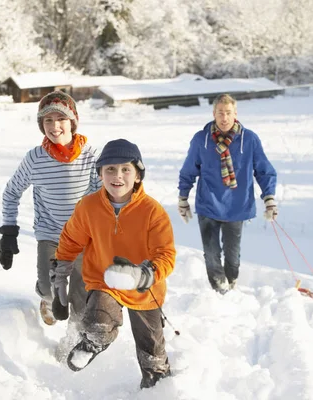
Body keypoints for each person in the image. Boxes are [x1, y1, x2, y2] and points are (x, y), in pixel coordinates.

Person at [51, 139, 176, 389]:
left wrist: (145, 274)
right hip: (104, 281)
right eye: (109, 169)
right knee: (98, 320)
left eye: (125, 170)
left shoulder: (153, 211)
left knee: (152, 354)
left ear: (138, 175)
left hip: (145, 289)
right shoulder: (88, 207)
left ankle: (157, 385)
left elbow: (166, 253)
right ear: (100, 174)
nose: (117, 176)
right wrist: (60, 273)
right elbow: (70, 240)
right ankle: (93, 342)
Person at [0, 91, 101, 325]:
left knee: (79, 299)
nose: (55, 127)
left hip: (83, 238)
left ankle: (74, 342)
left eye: (61, 119)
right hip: (50, 235)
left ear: (72, 122)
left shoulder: (91, 157)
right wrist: (8, 232)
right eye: (48, 120)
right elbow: (12, 192)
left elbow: (102, 199)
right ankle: (46, 297)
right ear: (41, 125)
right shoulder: (35, 158)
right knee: (48, 288)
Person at [178, 93, 277, 294]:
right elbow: (189, 169)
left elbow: (264, 170)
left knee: (233, 256)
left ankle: (231, 284)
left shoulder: (249, 139)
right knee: (211, 253)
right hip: (208, 205)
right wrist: (183, 198)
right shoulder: (201, 139)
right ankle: (219, 288)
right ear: (214, 113)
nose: (224, 118)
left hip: (237, 206)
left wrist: (269, 199)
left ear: (235, 113)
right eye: (220, 113)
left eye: (228, 113)